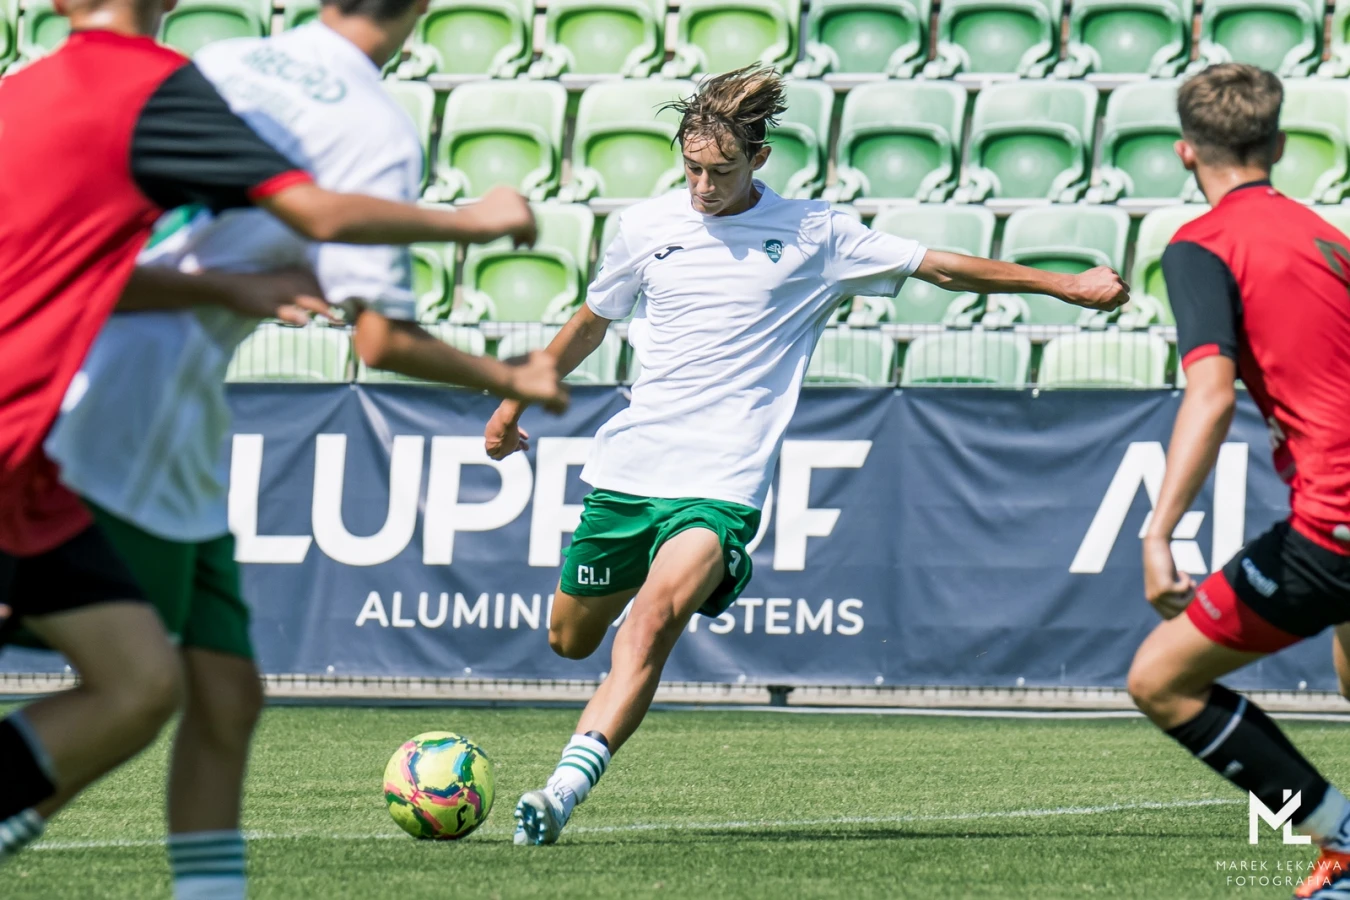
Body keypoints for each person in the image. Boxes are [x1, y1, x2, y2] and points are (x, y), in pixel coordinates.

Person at [483, 65, 1130, 846]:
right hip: (628, 473)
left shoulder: (815, 234)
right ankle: (602, 682)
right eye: (691, 168)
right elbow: (590, 323)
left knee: (649, 623)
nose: (702, 186)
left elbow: (939, 265)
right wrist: (512, 403)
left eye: (721, 171)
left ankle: (560, 792)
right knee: (570, 639)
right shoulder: (646, 228)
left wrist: (1063, 285)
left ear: (758, 159)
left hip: (720, 485)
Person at [0, 0, 564, 882]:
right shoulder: (372, 127)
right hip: (127, 414)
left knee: (226, 697)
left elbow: (103, 251)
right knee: (132, 689)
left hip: (156, 404)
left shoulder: (223, 61)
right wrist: (510, 368)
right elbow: (380, 337)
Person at [1124, 64, 1350, 900]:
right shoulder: (1331, 240)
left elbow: (1211, 394)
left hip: (1337, 513)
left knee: (1160, 679)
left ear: (1185, 153)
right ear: (1279, 146)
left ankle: (1340, 839)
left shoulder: (1201, 245)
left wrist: (1158, 531)